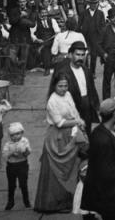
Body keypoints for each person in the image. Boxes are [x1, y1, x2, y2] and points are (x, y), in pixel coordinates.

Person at [34, 74, 86, 213]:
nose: (63, 89)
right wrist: (77, 122)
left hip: (70, 134)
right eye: (60, 86)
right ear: (54, 86)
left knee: (72, 167)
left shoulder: (68, 94)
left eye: (65, 86)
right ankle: (55, 203)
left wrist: (79, 122)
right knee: (58, 171)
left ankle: (69, 199)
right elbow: (59, 122)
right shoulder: (52, 101)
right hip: (58, 137)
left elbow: (74, 112)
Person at [51, 41, 100, 130]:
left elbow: (92, 90)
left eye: (82, 55)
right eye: (77, 54)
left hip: (86, 107)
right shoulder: (63, 72)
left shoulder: (87, 71)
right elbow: (54, 92)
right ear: (70, 55)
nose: (80, 58)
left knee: (86, 133)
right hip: (71, 108)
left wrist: (96, 107)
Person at [2, 121, 30, 210]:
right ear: (10, 136)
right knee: (11, 185)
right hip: (11, 166)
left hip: (22, 164)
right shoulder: (8, 144)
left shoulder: (25, 141)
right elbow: (5, 155)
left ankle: (26, 201)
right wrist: (12, 152)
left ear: (22, 133)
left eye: (17, 134)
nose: (15, 137)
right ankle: (10, 201)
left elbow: (28, 153)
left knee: (23, 184)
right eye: (12, 135)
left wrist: (24, 151)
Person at [78, 0, 106, 77]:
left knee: (94, 55)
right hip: (86, 37)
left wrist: (102, 37)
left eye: (95, 3)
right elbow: (79, 25)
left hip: (96, 37)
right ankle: (86, 71)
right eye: (92, 3)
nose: (94, 5)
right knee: (85, 55)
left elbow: (103, 26)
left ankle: (92, 72)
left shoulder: (100, 13)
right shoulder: (83, 13)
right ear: (89, 4)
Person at [31, 5, 60, 75]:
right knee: (45, 49)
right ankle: (47, 68)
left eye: (45, 13)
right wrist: (37, 40)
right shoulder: (36, 22)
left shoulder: (52, 21)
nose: (44, 14)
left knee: (46, 46)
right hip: (42, 41)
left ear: (47, 13)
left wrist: (56, 36)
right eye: (42, 13)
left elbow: (57, 31)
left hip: (52, 40)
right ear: (39, 14)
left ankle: (49, 67)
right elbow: (31, 33)